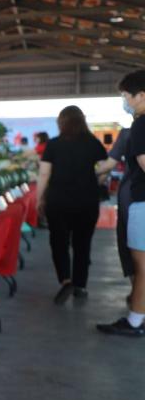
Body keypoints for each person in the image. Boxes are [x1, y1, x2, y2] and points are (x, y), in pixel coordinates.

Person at [36, 106, 107, 304]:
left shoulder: (54, 144)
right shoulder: (92, 142)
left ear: (61, 122)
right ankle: (80, 286)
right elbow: (105, 168)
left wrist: (39, 198)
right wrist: (95, 180)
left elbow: (44, 174)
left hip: (58, 200)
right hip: (87, 201)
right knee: (82, 244)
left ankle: (66, 280)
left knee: (58, 241)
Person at [99, 71, 145, 336]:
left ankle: (134, 321)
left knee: (141, 267)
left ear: (141, 95)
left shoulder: (140, 124)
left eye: (126, 96)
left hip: (141, 201)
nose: (125, 101)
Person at [97, 127, 133, 298]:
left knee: (131, 247)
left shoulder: (130, 132)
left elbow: (109, 164)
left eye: (127, 97)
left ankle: (138, 295)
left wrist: (83, 173)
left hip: (133, 197)